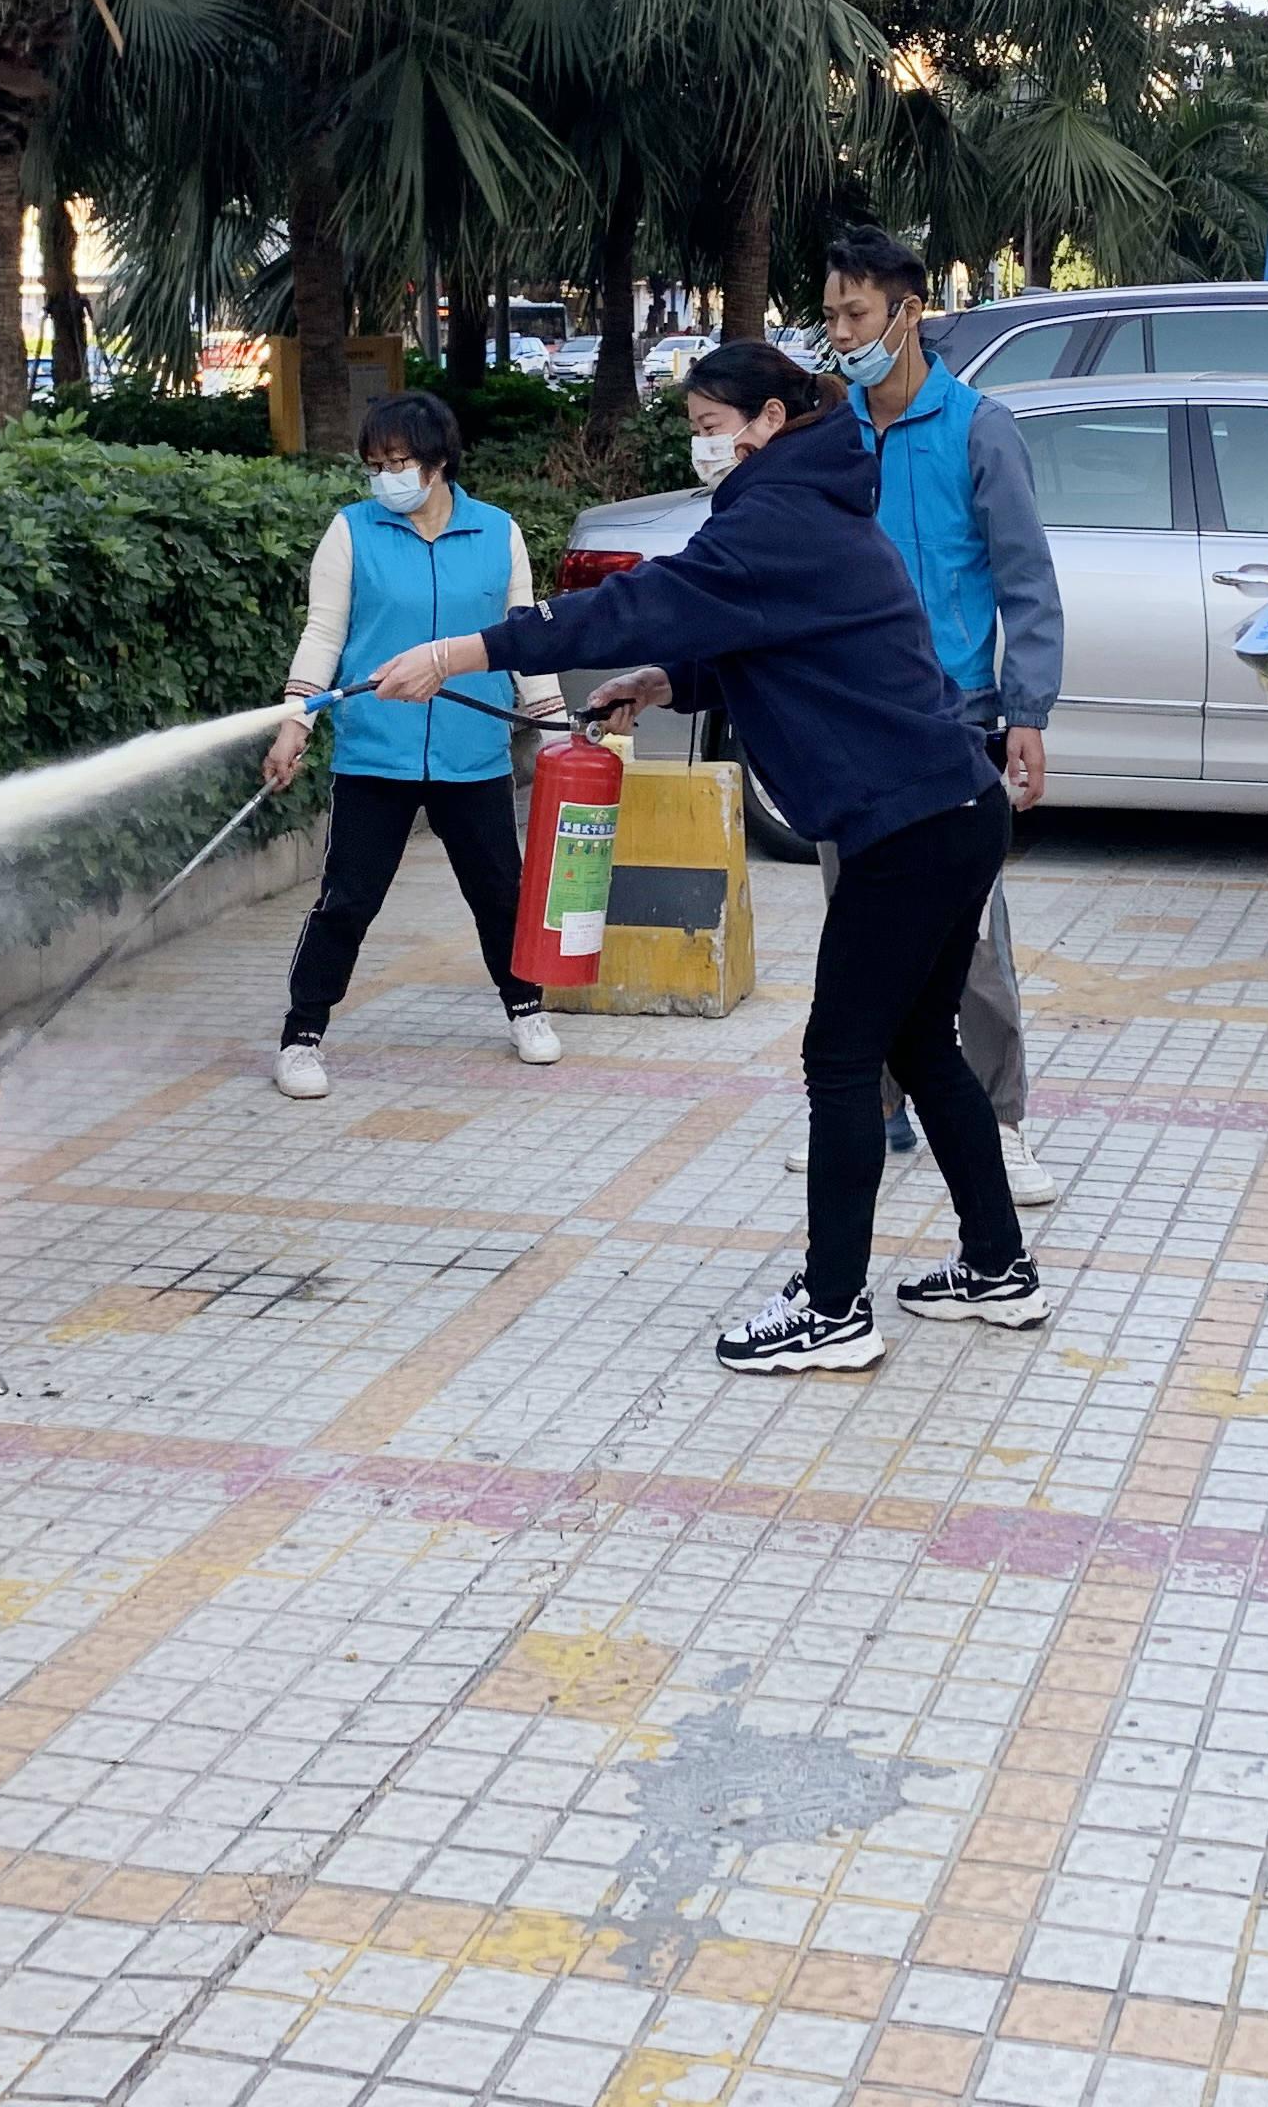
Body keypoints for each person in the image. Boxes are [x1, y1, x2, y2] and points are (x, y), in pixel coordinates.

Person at [369, 342, 1037, 1376]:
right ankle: (998, 1266)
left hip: (912, 829)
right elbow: (778, 638)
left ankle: (832, 1307)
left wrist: (466, 652)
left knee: (841, 1057)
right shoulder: (809, 501)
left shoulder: (778, 516)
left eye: (711, 424)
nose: (701, 444)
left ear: (768, 420)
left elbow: (636, 603)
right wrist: (666, 683)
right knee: (919, 1044)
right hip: (952, 810)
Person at [808, 229, 1066, 1204]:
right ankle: (871, 1110)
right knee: (855, 925)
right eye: (830, 316)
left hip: (955, 722)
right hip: (850, 723)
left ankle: (1001, 1121)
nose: (841, 334)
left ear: (908, 312)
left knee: (972, 939)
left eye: (856, 314)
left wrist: (1028, 708)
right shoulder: (829, 436)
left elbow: (1024, 578)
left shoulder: (977, 429)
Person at [266, 392, 569, 1098]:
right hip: (376, 754)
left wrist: (555, 726)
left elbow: (522, 638)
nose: (386, 478)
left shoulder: (497, 532)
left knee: (500, 894)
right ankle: (301, 1038)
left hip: (474, 754)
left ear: (438, 462)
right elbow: (324, 633)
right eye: (374, 465)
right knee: (346, 901)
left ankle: (526, 1008)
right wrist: (294, 723)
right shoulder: (351, 531)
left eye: (398, 462)